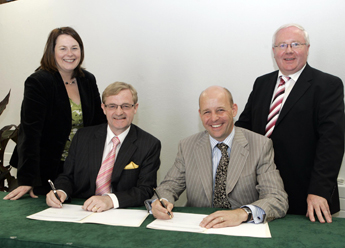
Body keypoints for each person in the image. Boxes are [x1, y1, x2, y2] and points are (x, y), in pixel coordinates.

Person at [236, 24, 345, 223]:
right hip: (259, 192)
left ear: (307, 48)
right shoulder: (262, 83)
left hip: (306, 197)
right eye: (282, 45)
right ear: (274, 51)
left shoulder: (328, 85)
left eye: (295, 44)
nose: (288, 51)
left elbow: (332, 142)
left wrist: (319, 191)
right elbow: (244, 129)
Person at [150, 86, 288, 228]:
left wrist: (241, 213)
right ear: (200, 114)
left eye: (220, 110)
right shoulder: (187, 146)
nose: (214, 118)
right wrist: (161, 202)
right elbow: (169, 186)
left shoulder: (260, 145)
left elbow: (277, 198)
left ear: (234, 110)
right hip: (198, 227)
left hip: (241, 229)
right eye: (207, 112)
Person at [4, 27, 106, 200]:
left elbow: (98, 122)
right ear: (52, 51)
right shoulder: (39, 82)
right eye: (63, 48)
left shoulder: (88, 80)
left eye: (75, 48)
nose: (70, 54)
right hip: (45, 169)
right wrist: (29, 179)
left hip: (79, 168)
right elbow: (30, 133)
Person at [46, 82, 161, 212]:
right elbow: (67, 176)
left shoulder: (149, 144)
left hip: (121, 213)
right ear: (103, 108)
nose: (119, 112)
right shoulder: (82, 137)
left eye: (126, 106)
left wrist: (109, 200)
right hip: (80, 210)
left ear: (135, 108)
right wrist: (60, 191)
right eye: (112, 106)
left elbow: (145, 190)